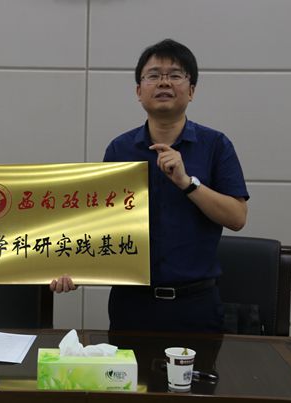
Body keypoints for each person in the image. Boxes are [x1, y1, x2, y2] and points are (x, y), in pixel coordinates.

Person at [52, 39, 249, 332]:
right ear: (139, 91)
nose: (164, 82)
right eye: (154, 75)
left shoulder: (216, 145)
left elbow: (237, 217)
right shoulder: (120, 149)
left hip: (196, 303)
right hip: (132, 303)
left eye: (175, 75)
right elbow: (103, 222)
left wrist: (187, 183)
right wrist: (75, 267)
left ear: (191, 90)